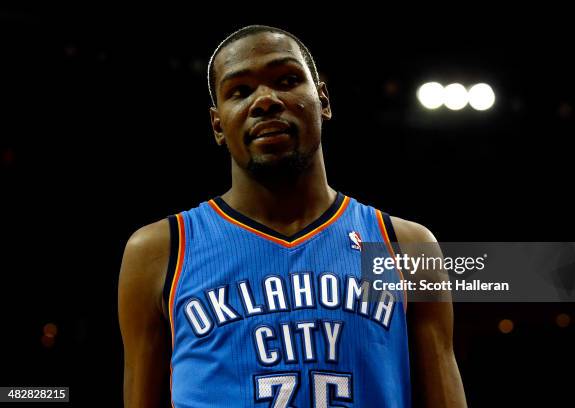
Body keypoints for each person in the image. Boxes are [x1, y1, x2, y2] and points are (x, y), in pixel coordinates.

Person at [119, 25, 467, 408]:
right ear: (218, 124)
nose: (265, 100)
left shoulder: (406, 245)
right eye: (240, 91)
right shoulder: (158, 250)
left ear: (324, 100)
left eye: (286, 80)